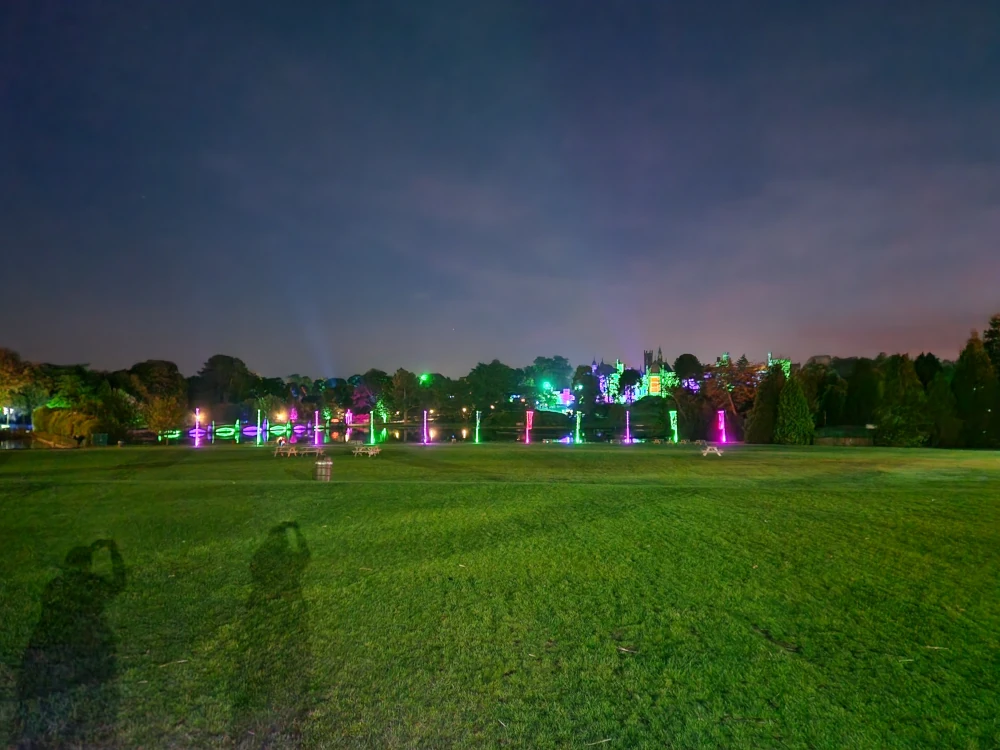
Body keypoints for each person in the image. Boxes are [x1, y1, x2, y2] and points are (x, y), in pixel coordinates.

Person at [16, 540, 126, 747]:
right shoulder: (93, 584)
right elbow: (119, 583)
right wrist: (113, 551)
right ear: (88, 565)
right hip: (83, 647)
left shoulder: (54, 585)